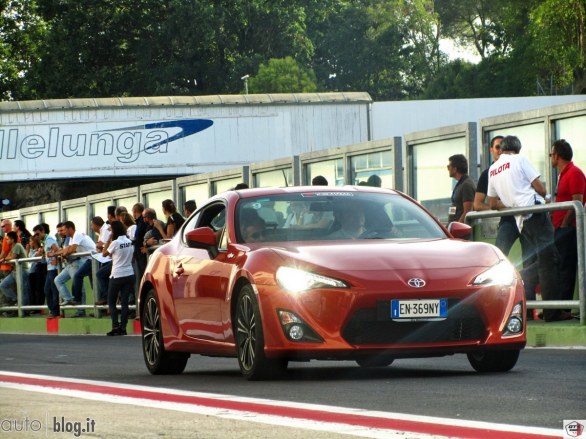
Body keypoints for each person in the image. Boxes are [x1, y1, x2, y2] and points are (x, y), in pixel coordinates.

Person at [487, 135, 571, 322]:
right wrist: (545, 198)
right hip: (535, 214)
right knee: (551, 259)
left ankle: (522, 276)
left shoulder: (493, 169)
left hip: (520, 221)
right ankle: (552, 312)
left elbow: (493, 203)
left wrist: (513, 204)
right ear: (517, 149)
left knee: (544, 258)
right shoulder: (520, 159)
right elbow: (540, 189)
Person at [550, 139, 586, 309]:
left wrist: (564, 224)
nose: (550, 157)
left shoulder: (574, 173)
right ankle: (557, 308)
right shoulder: (562, 174)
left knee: (566, 269)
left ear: (557, 155)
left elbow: (577, 201)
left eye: (551, 154)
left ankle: (563, 308)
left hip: (568, 230)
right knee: (558, 269)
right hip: (560, 229)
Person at [54, 221, 96, 316]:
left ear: (70, 229)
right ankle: (69, 299)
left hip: (92, 260)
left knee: (80, 280)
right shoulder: (72, 238)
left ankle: (79, 306)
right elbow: (67, 249)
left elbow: (71, 250)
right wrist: (56, 253)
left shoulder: (77, 234)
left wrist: (63, 253)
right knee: (58, 280)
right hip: (85, 261)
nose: (63, 232)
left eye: (63, 230)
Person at [102, 221, 135, 336]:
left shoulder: (115, 243)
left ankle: (115, 326)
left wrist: (108, 240)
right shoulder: (129, 241)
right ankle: (123, 327)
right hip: (129, 273)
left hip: (117, 275)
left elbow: (104, 254)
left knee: (111, 301)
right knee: (124, 302)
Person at [34, 223, 60, 318]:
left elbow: (57, 250)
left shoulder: (49, 239)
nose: (36, 236)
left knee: (52, 290)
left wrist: (55, 260)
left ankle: (55, 311)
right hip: (50, 268)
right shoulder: (45, 241)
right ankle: (53, 310)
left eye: (38, 234)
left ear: (43, 232)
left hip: (53, 268)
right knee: (47, 290)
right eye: (35, 235)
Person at [0, 231, 28, 312]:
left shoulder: (17, 245)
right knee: (3, 285)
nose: (6, 241)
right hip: (15, 271)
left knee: (24, 291)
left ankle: (25, 310)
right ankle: (14, 299)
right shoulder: (12, 247)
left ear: (12, 239)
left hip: (22, 271)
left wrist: (4, 259)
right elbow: (9, 257)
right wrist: (5, 259)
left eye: (8, 239)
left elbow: (12, 257)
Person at [447, 154, 476, 224]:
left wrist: (458, 227)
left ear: (455, 169)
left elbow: (468, 211)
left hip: (459, 230)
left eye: (449, 166)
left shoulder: (466, 185)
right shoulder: (460, 184)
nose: (448, 169)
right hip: (454, 226)